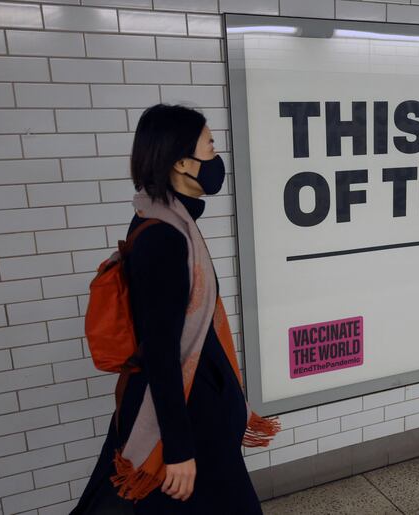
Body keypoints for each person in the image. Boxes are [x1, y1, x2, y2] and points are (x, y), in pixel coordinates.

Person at [73, 104, 278, 515]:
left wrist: (233, 402)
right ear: (182, 162)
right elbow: (162, 353)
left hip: (199, 408)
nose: (217, 159)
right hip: (188, 417)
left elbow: (194, 333)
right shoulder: (164, 238)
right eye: (210, 147)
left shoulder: (167, 220)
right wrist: (179, 451)